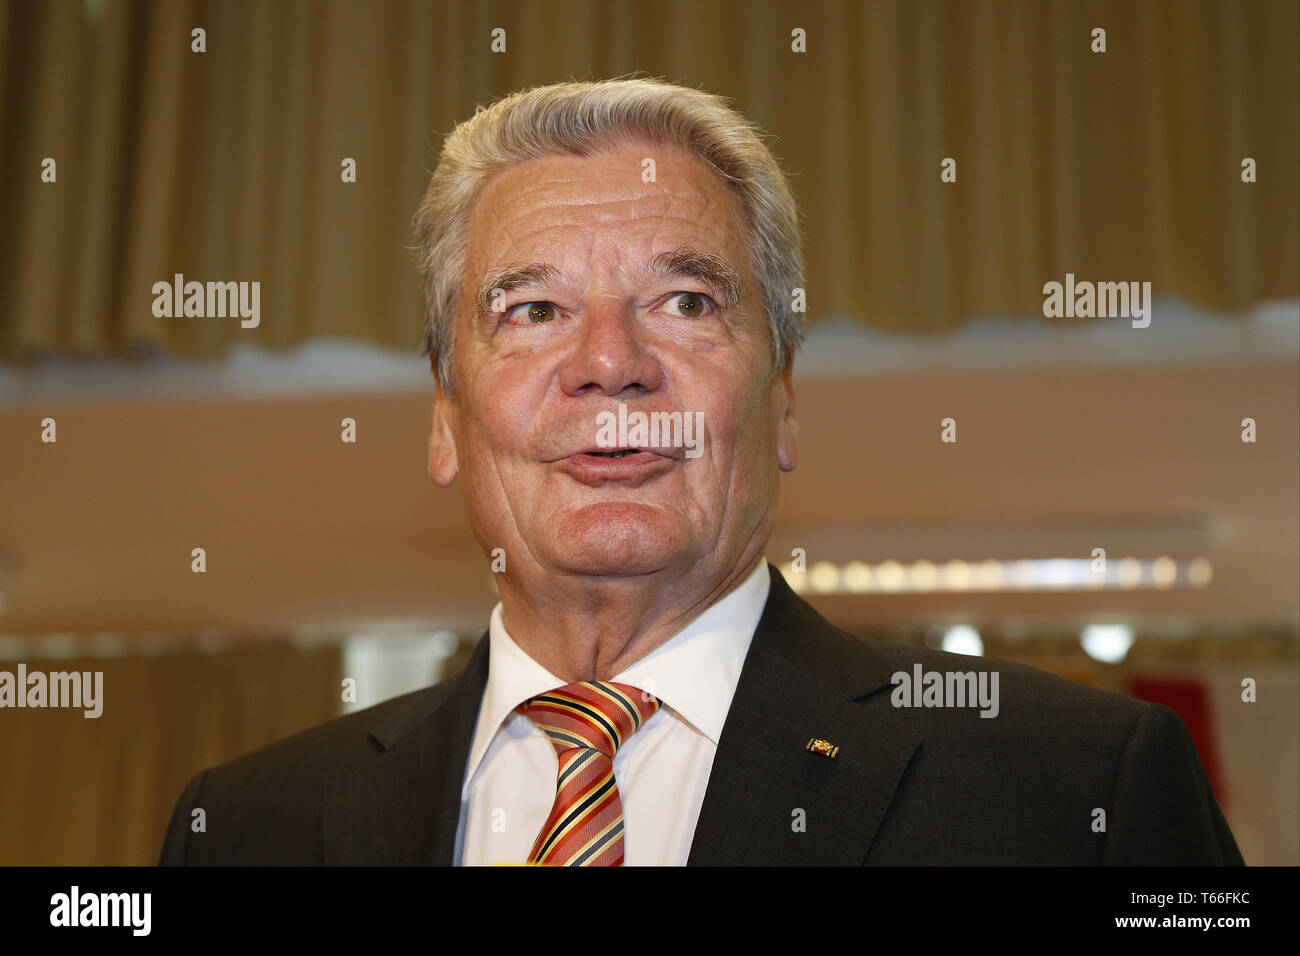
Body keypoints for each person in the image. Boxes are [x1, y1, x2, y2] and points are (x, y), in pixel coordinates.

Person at [159, 77, 1242, 866]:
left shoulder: (1076, 788)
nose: (611, 365)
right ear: (446, 418)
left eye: (685, 302)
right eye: (531, 310)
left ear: (779, 400)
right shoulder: (250, 829)